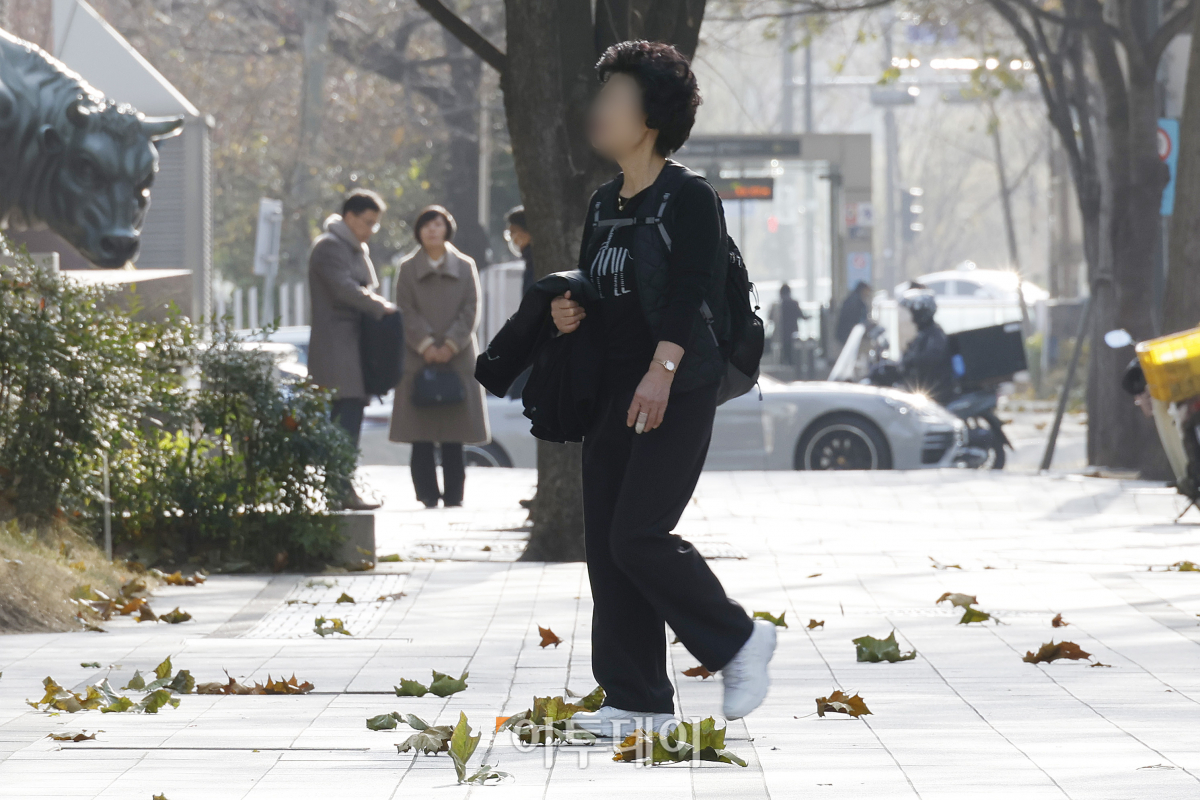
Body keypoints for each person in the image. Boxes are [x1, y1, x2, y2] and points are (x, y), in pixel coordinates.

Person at [550, 40, 775, 739]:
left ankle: (739, 641)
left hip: (677, 389)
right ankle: (636, 700)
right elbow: (602, 288)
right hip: (612, 395)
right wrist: (569, 310)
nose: (599, 110)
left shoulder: (690, 198)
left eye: (613, 98)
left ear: (650, 116)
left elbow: (690, 292)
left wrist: (662, 371)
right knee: (608, 549)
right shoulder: (601, 202)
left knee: (639, 535)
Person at [389, 205, 489, 508]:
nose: (432, 230)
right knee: (420, 434)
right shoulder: (407, 268)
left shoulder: (465, 265)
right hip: (419, 358)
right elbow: (405, 310)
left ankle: (455, 496)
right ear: (418, 231)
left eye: (438, 224)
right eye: (426, 225)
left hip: (456, 358)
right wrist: (427, 345)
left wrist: (449, 345)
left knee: (453, 434)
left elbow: (471, 309)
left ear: (447, 229)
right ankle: (427, 495)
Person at [307, 188, 398, 511]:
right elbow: (345, 289)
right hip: (336, 347)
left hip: (354, 346)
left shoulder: (352, 247)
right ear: (349, 217)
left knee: (350, 420)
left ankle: (341, 488)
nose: (371, 230)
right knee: (343, 422)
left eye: (375, 224)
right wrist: (381, 306)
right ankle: (339, 490)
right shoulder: (330, 247)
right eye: (368, 222)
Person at [898, 289, 957, 405]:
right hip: (922, 390)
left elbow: (928, 359)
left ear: (922, 314)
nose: (912, 318)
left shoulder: (934, 335)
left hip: (935, 393)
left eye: (915, 313)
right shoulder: (925, 334)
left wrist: (910, 360)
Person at [770, 282, 806, 366]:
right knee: (792, 353)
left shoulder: (777, 305)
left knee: (782, 351)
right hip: (793, 331)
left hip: (781, 332)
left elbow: (770, 318)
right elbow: (801, 316)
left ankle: (783, 364)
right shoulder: (794, 303)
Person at [834, 280, 872, 353]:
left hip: (845, 333)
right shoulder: (855, 302)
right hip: (848, 333)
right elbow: (856, 319)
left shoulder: (852, 299)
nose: (868, 294)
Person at [505, 205, 536, 295]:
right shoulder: (529, 261)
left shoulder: (535, 262)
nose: (511, 238)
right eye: (509, 233)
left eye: (514, 232)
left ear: (528, 232)